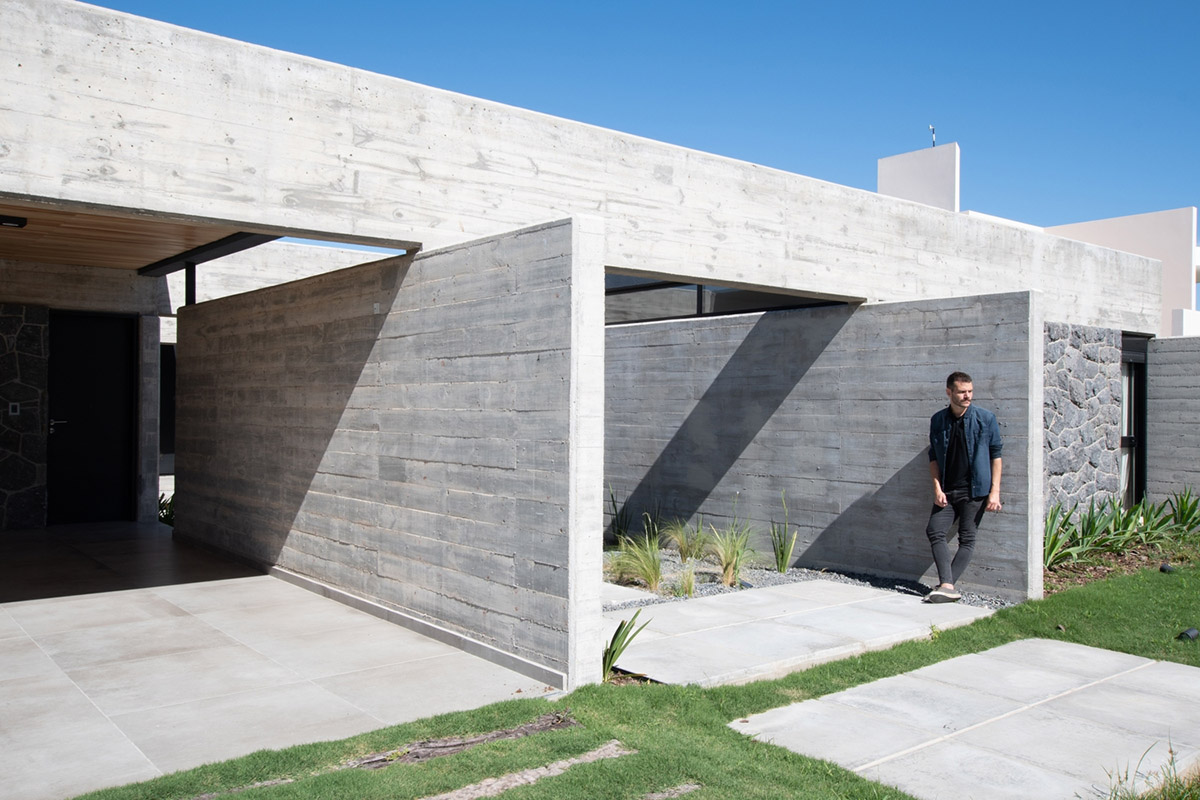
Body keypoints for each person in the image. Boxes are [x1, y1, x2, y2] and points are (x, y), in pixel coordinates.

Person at [924, 371, 1002, 603]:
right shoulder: (938, 420)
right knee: (934, 530)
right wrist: (937, 488)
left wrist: (995, 492)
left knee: (967, 538)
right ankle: (948, 586)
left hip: (975, 491)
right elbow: (933, 457)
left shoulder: (985, 419)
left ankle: (946, 585)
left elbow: (996, 455)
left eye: (970, 391)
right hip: (947, 490)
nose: (967, 396)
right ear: (949, 392)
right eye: (962, 392)